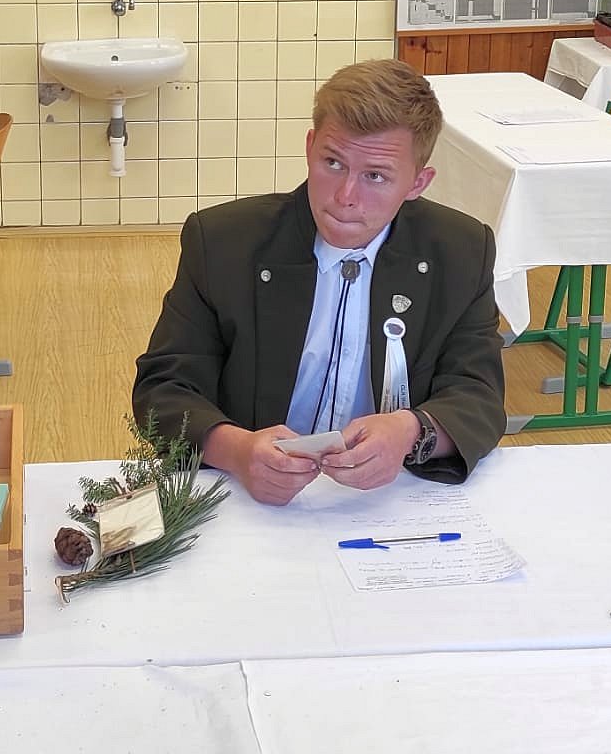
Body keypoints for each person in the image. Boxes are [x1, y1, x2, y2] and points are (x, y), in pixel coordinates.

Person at [134, 59, 506, 505]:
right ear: (310, 147)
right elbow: (164, 388)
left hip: (388, 499)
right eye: (333, 162)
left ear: (417, 183)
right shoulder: (222, 242)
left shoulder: (462, 251)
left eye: (375, 176)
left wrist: (413, 431)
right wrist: (237, 451)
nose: (346, 197)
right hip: (246, 496)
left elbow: (480, 396)